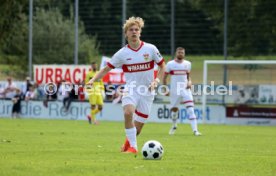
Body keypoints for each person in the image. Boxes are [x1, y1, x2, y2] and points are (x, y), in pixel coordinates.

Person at [87, 16, 165, 154]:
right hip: (131, 89)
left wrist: (156, 81)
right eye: (131, 30)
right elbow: (106, 69)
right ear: (126, 34)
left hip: (147, 92)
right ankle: (134, 148)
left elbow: (162, 67)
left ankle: (126, 145)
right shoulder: (122, 54)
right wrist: (93, 80)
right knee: (128, 112)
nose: (134, 32)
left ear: (140, 32)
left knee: (138, 129)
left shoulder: (151, 49)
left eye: (136, 29)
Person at [163, 47, 201, 136]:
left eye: (182, 52)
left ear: (184, 54)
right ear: (176, 53)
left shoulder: (188, 64)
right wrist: (165, 89)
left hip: (185, 90)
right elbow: (164, 78)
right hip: (174, 91)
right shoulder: (170, 64)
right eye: (179, 52)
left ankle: (195, 130)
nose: (180, 54)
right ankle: (174, 125)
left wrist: (190, 82)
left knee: (191, 109)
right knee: (174, 110)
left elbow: (188, 77)